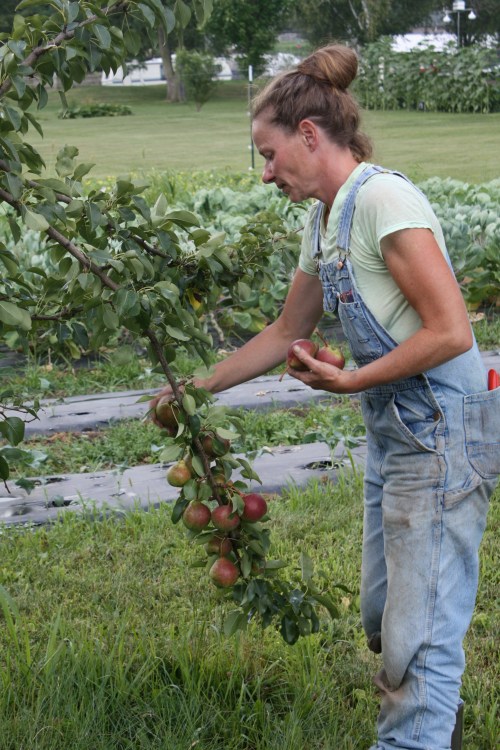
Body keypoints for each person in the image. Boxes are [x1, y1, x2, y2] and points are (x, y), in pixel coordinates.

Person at [150, 44, 499, 750]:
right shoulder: (327, 219)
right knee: (383, 616)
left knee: (415, 640)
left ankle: (420, 731)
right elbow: (288, 328)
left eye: (270, 153)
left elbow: (452, 331)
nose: (267, 172)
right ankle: (436, 712)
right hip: (398, 437)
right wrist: (196, 390)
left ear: (310, 134)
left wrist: (351, 380)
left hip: (441, 437)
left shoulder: (382, 200)